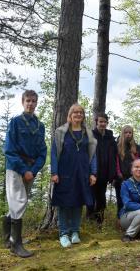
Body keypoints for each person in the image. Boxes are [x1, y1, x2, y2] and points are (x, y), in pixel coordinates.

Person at [3, 90, 47, 257]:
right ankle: (16, 244)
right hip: (15, 168)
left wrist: (33, 170)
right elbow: (9, 149)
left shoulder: (39, 126)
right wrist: (23, 169)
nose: (31, 103)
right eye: (28, 100)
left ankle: (8, 238)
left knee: (18, 203)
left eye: (33, 101)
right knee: (19, 202)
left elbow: (43, 151)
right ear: (23, 102)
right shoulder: (15, 122)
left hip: (31, 169)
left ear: (36, 103)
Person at [51, 104, 97, 248]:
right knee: (64, 204)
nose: (78, 114)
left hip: (82, 173)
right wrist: (54, 172)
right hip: (65, 173)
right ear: (70, 115)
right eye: (75, 112)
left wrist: (93, 173)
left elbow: (93, 154)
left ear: (83, 116)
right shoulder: (61, 132)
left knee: (78, 202)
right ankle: (64, 234)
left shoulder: (88, 133)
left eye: (80, 112)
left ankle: (75, 232)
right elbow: (53, 153)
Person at [89, 113, 118, 225]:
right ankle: (90, 220)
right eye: (100, 121)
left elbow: (115, 155)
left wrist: (113, 173)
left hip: (105, 173)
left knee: (101, 197)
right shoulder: (91, 135)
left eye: (104, 122)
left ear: (107, 123)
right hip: (93, 172)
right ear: (96, 122)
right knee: (91, 196)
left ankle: (99, 221)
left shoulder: (110, 138)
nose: (102, 124)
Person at [115, 125, 140, 218]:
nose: (128, 134)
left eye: (130, 132)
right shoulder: (118, 146)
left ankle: (131, 219)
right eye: (126, 132)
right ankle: (119, 219)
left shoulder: (136, 147)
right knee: (120, 200)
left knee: (132, 199)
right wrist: (119, 174)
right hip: (120, 178)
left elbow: (138, 162)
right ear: (123, 134)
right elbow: (116, 161)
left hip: (132, 178)